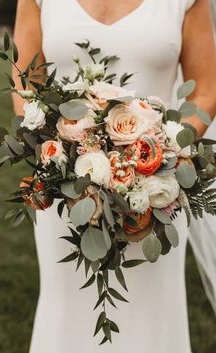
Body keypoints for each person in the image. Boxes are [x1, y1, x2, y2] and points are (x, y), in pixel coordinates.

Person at [12, 1, 216, 352]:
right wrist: (63, 154)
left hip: (155, 196)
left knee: (152, 313)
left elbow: (206, 92)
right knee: (69, 310)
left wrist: (154, 154)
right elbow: (26, 86)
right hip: (68, 192)